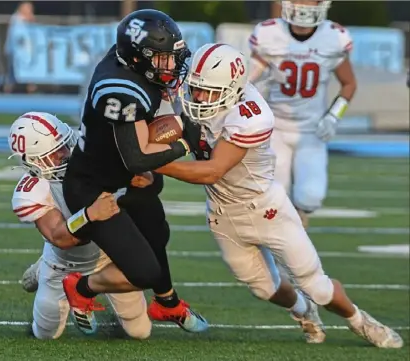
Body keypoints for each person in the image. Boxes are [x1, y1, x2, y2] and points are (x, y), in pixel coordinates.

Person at [155, 42, 403, 349]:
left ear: (233, 89)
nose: (200, 98)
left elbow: (213, 171)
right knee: (263, 289)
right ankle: (302, 311)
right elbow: (169, 127)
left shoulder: (251, 115)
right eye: (196, 89)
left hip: (267, 210)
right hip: (223, 215)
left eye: (209, 92)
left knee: (318, 288)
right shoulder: (196, 99)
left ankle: (359, 320)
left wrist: (155, 164)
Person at [61, 9, 208, 333]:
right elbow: (136, 158)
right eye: (163, 58)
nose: (171, 65)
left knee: (157, 230)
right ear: (139, 58)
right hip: (93, 188)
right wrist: (186, 141)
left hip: (120, 176)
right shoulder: (120, 89)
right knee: (143, 273)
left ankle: (166, 303)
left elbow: (137, 159)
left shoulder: (129, 62)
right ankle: (80, 288)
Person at [10, 112, 153, 340]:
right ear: (33, 162)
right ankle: (43, 268)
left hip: (107, 257)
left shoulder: (91, 161)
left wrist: (140, 178)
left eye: (65, 145)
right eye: (55, 153)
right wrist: (88, 215)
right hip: (62, 264)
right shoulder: (33, 189)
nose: (66, 154)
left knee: (140, 331)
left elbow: (141, 177)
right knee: (45, 334)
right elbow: (61, 239)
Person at [248, 0, 357, 228]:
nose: (302, 4)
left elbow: (349, 85)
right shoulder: (271, 33)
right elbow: (247, 80)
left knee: (310, 196)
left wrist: (333, 116)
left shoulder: (332, 36)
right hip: (275, 128)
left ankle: (297, 234)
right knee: (274, 198)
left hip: (311, 130)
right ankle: (282, 246)